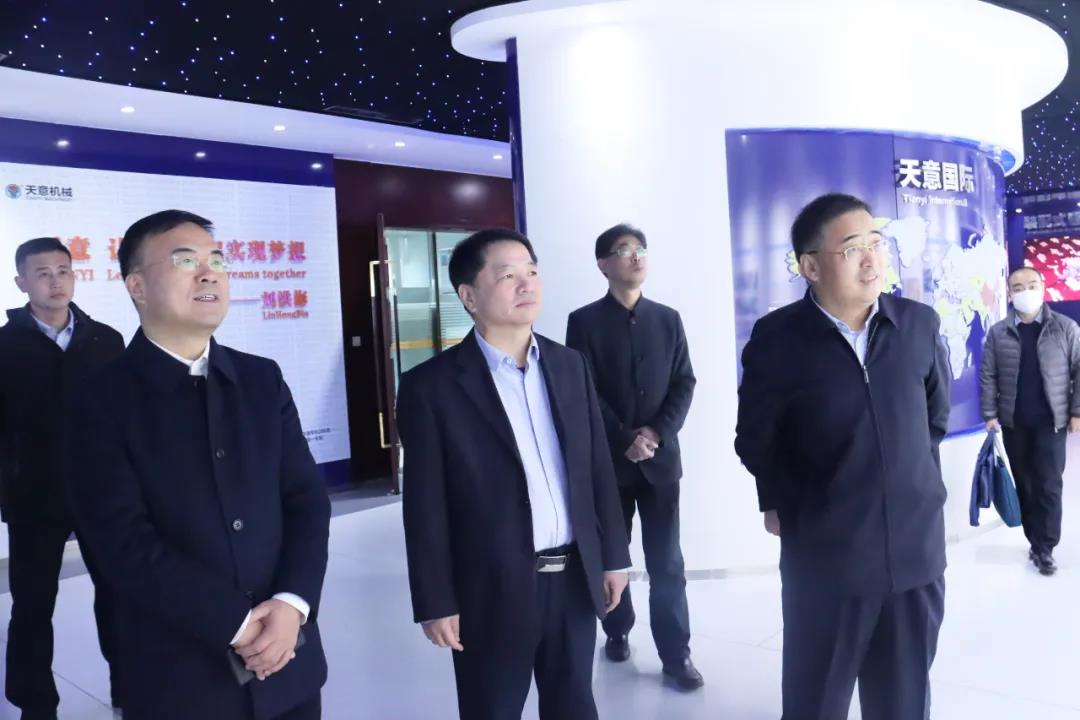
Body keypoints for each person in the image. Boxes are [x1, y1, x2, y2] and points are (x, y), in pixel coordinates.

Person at [67, 210, 330, 720]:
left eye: (218, 261)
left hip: (288, 661)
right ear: (137, 286)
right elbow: (122, 543)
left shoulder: (262, 380)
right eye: (186, 261)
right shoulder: (98, 401)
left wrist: (292, 604)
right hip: (177, 677)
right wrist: (236, 623)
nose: (209, 273)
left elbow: (305, 501)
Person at [397, 228, 631, 720]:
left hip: (572, 580)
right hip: (489, 587)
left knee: (574, 705)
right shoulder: (431, 388)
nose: (527, 284)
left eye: (532, 272)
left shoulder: (569, 365)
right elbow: (425, 506)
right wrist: (435, 599)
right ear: (468, 296)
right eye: (507, 276)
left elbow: (596, 469)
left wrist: (613, 556)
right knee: (492, 708)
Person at [735, 193, 950, 720]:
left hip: (913, 557)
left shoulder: (918, 325)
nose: (872, 259)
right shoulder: (778, 340)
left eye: (877, 244)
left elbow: (933, 421)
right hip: (826, 566)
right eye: (853, 249)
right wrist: (796, 504)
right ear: (810, 267)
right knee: (816, 703)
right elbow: (755, 440)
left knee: (904, 704)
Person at [565, 223, 701, 689]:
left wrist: (657, 433)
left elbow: (684, 382)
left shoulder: (668, 319)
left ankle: (676, 655)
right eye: (624, 250)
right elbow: (583, 389)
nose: (636, 256)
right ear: (603, 264)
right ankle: (617, 629)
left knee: (668, 563)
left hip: (661, 462)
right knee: (613, 554)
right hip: (609, 463)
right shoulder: (584, 322)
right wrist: (624, 437)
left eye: (641, 248)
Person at [0, 237, 125, 720]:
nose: (56, 282)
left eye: (63, 271)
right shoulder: (5, 347)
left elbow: (126, 421)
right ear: (21, 283)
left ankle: (129, 686)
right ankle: (36, 705)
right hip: (33, 495)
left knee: (119, 594)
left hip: (101, 493)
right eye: (43, 273)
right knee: (32, 605)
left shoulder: (105, 341)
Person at [980, 266, 1080, 576]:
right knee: (1024, 484)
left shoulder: (1065, 327)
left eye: (1032, 285)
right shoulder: (998, 332)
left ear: (1043, 286)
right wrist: (989, 414)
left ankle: (1046, 546)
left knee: (1048, 484)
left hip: (1052, 422)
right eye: (1018, 287)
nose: (1026, 291)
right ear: (1010, 294)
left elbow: (1079, 370)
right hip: (1014, 423)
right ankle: (1034, 541)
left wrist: (1077, 412)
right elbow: (988, 375)